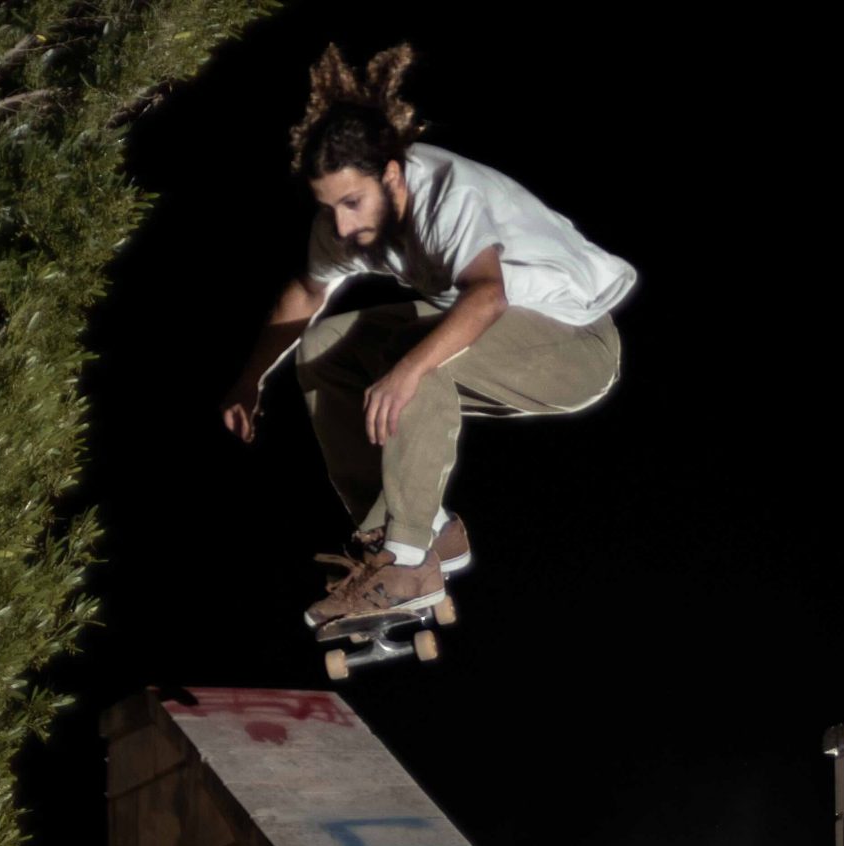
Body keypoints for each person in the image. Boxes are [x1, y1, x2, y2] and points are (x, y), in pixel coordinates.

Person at [218, 45, 635, 631]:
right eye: (329, 207)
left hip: (576, 346)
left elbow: (486, 295)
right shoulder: (348, 218)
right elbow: (308, 293)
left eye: (352, 203)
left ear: (391, 176)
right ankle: (417, 527)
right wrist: (249, 378)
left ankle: (410, 561)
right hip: (488, 326)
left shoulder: (447, 195)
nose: (342, 226)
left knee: (420, 363)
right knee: (324, 349)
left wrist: (410, 369)